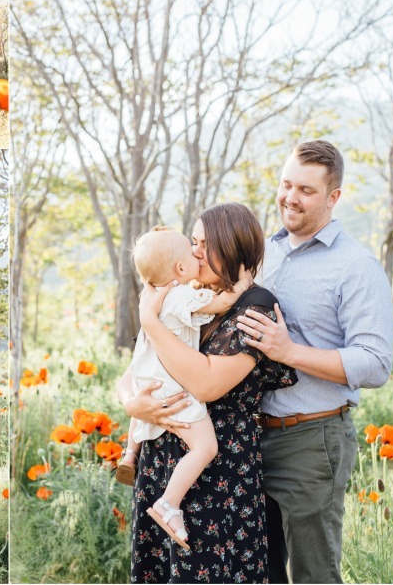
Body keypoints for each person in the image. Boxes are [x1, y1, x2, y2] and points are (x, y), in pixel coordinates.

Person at [237, 141, 393, 585]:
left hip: (311, 439)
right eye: (286, 184)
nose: (290, 197)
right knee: (258, 571)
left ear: (333, 197)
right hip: (246, 440)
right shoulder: (263, 254)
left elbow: (376, 363)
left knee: (313, 575)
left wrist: (289, 351)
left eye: (306, 189)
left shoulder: (356, 266)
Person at [123, 201, 298, 583]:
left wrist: (150, 321)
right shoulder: (186, 294)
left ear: (232, 247)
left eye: (204, 243)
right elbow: (132, 370)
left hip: (220, 474)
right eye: (193, 241)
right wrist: (133, 404)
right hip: (161, 461)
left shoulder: (256, 307)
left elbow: (206, 383)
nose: (194, 250)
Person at [118, 228, 246, 553]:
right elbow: (221, 303)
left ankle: (129, 452)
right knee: (204, 447)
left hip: (147, 382)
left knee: (143, 410)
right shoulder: (179, 295)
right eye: (191, 251)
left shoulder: (151, 298)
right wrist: (244, 284)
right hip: (174, 390)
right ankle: (169, 504)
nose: (196, 254)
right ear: (178, 269)